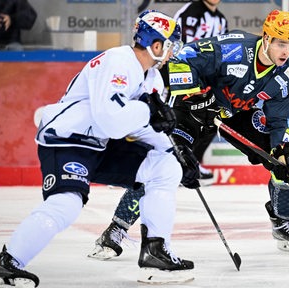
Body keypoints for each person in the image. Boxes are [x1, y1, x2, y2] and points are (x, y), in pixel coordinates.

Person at [0, 10, 197, 287]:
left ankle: (156, 252)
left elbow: (144, 127)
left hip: (101, 144)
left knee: (165, 168)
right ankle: (8, 264)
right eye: (171, 45)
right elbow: (113, 119)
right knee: (67, 204)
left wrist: (175, 153)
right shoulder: (118, 61)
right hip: (67, 139)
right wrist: (147, 111)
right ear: (157, 45)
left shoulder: (152, 78)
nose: (171, 52)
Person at [87, 10, 289, 261]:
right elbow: (182, 57)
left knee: (284, 161)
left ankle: (283, 224)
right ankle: (116, 229)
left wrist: (285, 150)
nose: (286, 51)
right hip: (191, 107)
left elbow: (283, 120)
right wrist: (196, 94)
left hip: (232, 112)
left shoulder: (285, 77)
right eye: (281, 44)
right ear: (267, 38)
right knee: (165, 161)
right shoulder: (233, 48)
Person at [87, 2, 228, 259]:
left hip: (190, 101)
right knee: (159, 162)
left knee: (165, 163)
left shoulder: (219, 22)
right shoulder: (184, 18)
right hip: (166, 103)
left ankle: (147, 243)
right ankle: (119, 229)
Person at [174, 0, 229, 179]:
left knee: (213, 117)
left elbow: (226, 49)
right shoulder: (191, 12)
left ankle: (193, 161)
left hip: (207, 78)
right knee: (172, 118)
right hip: (181, 75)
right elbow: (181, 47)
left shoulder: (221, 19)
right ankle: (144, 165)